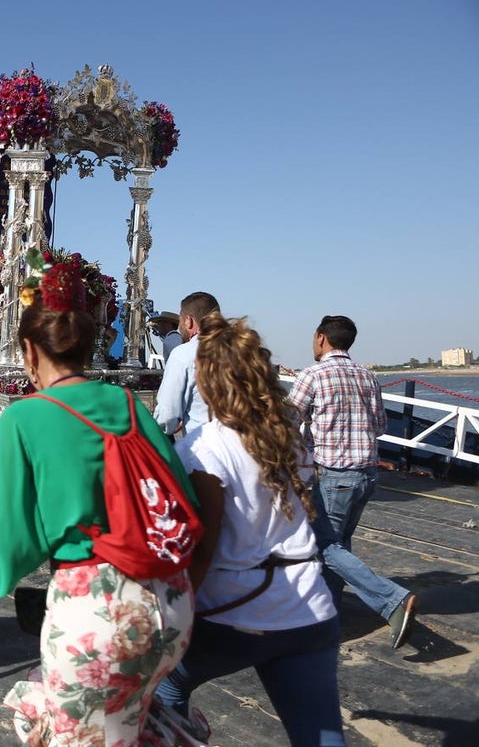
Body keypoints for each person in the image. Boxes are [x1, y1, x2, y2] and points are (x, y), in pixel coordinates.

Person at [0, 261, 195, 745]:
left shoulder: (25, 417)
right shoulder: (130, 405)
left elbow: (7, 538)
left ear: (29, 351)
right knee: (129, 727)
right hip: (170, 604)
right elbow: (181, 495)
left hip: (100, 612)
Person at [154, 313, 345, 747]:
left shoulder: (203, 448)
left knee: (166, 685)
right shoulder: (287, 436)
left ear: (209, 381)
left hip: (234, 615)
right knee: (320, 736)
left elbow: (204, 545)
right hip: (307, 610)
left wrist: (171, 618)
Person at [287, 315, 418, 649]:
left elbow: (287, 421)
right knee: (340, 544)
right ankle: (329, 613)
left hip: (333, 475)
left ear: (320, 338)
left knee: (324, 546)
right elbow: (380, 426)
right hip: (367, 474)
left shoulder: (312, 375)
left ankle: (392, 599)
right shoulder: (368, 376)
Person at [153, 291, 220, 438]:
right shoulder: (243, 349)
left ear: (189, 321)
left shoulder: (183, 354)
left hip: (205, 448)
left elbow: (167, 416)